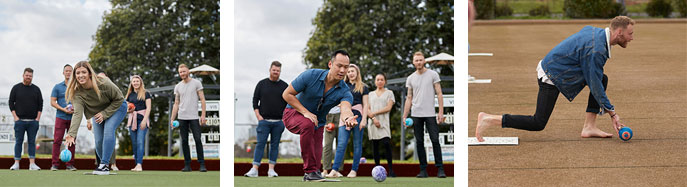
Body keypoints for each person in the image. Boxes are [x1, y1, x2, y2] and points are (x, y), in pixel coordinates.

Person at [475, 16, 635, 142]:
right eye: (630, 34)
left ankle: (589, 127)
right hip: (552, 75)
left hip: (557, 67)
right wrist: (613, 114)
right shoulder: (597, 50)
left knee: (602, 79)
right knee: (538, 122)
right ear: (619, 32)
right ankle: (490, 119)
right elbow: (594, 84)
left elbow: (592, 71)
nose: (631, 38)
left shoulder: (597, 32)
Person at [281, 50, 358, 182]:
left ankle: (311, 174)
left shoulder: (345, 91)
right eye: (339, 65)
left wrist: (348, 118)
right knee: (308, 123)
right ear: (330, 64)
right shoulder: (310, 75)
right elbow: (287, 94)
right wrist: (305, 112)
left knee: (316, 164)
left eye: (346, 67)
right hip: (292, 113)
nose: (342, 70)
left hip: (318, 123)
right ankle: (310, 172)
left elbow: (345, 107)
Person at [64, 61, 127, 175]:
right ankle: (103, 165)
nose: (80, 75)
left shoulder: (103, 83)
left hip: (117, 107)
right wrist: (71, 133)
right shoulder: (77, 92)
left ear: (89, 74)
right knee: (98, 141)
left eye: (84, 72)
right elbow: (77, 114)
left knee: (109, 130)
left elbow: (119, 98)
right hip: (98, 113)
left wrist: (105, 113)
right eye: (77, 73)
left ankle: (104, 165)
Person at [402, 51, 446, 178]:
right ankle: (423, 170)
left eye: (420, 60)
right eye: (416, 60)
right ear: (413, 62)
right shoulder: (410, 78)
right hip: (416, 114)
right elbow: (409, 98)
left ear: (424, 61)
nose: (419, 62)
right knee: (419, 142)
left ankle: (440, 169)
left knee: (435, 140)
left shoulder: (433, 74)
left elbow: (439, 94)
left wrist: (441, 112)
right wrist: (405, 116)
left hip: (430, 114)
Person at [244, 61, 288, 177]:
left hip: (278, 122)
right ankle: (254, 169)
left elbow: (290, 103)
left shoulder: (285, 86)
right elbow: (255, 100)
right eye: (274, 70)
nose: (275, 72)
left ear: (280, 72)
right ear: (270, 70)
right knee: (260, 144)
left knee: (275, 145)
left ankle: (271, 170)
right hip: (264, 122)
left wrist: (284, 118)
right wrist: (258, 116)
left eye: (278, 71)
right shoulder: (261, 84)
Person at [327, 64, 368, 178]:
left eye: (352, 71)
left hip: (358, 116)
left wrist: (364, 120)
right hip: (344, 117)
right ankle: (334, 170)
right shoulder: (342, 86)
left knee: (357, 144)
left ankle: (354, 170)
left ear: (357, 73)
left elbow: (366, 105)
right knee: (341, 143)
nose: (350, 73)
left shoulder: (363, 87)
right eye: (349, 71)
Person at [169, 64, 208, 172]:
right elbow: (176, 103)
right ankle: (187, 165)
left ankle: (202, 164)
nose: (182, 74)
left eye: (184, 71)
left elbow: (203, 99)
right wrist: (172, 119)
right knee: (184, 141)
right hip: (182, 117)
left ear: (188, 71)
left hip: (194, 117)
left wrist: (203, 115)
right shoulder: (178, 86)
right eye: (180, 72)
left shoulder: (196, 83)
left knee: (197, 139)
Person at [9, 68, 43, 171]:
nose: (28, 77)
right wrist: (15, 117)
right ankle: (16, 163)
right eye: (27, 75)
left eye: (30, 76)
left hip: (33, 122)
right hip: (19, 122)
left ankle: (32, 164)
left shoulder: (36, 89)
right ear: (23, 75)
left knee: (32, 142)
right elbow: (11, 103)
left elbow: (40, 105)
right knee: (18, 141)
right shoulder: (16, 88)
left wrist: (37, 119)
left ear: (32, 77)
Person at [367, 73, 396, 177]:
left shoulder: (389, 93)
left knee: (386, 144)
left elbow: (388, 108)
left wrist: (374, 113)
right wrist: (373, 118)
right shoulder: (370, 94)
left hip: (384, 123)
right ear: (375, 82)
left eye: (382, 79)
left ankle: (391, 170)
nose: (379, 81)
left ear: (385, 81)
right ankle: (377, 170)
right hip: (372, 123)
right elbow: (367, 109)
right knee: (375, 146)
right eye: (377, 79)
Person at [89, 72, 119, 171]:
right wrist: (89, 120)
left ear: (107, 78)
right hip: (97, 115)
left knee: (108, 134)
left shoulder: (111, 87)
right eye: (98, 78)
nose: (100, 80)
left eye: (102, 78)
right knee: (98, 141)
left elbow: (119, 101)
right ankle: (102, 164)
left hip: (111, 114)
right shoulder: (93, 89)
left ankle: (108, 163)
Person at [50, 64, 77, 171]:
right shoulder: (57, 87)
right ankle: (55, 164)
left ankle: (70, 165)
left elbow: (80, 100)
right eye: (66, 71)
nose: (68, 73)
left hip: (73, 118)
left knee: (72, 141)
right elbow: (52, 102)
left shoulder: (76, 87)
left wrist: (75, 108)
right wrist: (63, 109)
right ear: (63, 72)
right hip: (60, 117)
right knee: (57, 141)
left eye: (70, 71)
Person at [125, 75, 152, 172]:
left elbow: (148, 108)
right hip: (132, 120)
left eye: (137, 81)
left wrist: (145, 120)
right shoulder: (129, 95)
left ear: (140, 82)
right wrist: (129, 110)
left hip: (142, 120)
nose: (135, 83)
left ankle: (139, 164)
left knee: (140, 142)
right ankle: (136, 164)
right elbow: (126, 109)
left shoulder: (146, 93)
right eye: (134, 81)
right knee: (135, 143)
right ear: (131, 83)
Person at [321, 106, 340, 177]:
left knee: (340, 145)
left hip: (340, 115)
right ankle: (325, 170)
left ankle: (337, 170)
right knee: (327, 145)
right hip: (328, 115)